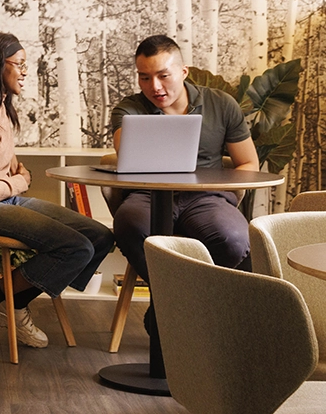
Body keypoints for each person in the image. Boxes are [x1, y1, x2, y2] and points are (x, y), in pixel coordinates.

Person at [0, 32, 113, 354]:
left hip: (0, 200)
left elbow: (6, 166)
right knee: (75, 248)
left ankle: (13, 302)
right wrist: (22, 181)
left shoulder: (0, 107)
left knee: (99, 236)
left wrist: (16, 179)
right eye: (18, 64)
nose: (25, 71)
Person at [110, 34, 258, 285]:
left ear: (183, 72)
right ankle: (176, 300)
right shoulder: (129, 109)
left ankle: (180, 301)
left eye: (163, 75)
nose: (154, 86)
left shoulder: (221, 104)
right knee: (129, 227)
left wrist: (230, 192)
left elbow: (248, 163)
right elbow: (126, 155)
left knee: (234, 238)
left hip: (206, 198)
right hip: (147, 195)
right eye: (144, 77)